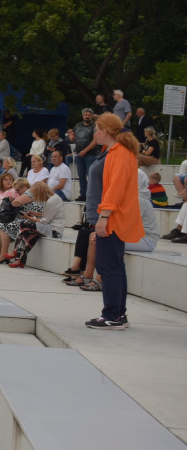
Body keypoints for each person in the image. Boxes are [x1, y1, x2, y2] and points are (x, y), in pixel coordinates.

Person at [85, 112, 143, 329]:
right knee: (114, 266)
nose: (94, 133)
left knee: (108, 266)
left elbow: (115, 187)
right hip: (112, 217)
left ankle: (113, 315)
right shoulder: (114, 151)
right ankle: (118, 314)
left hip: (113, 219)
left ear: (105, 131)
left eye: (96, 130)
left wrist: (104, 216)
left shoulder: (120, 152)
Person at [72, 109, 99, 202]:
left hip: (90, 154)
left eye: (89, 115)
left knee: (90, 175)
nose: (87, 116)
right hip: (79, 154)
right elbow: (74, 137)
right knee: (81, 175)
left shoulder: (94, 126)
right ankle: (83, 194)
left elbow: (95, 141)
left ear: (91, 116)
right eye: (85, 115)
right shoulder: (78, 125)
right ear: (83, 116)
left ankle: (92, 194)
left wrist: (85, 150)